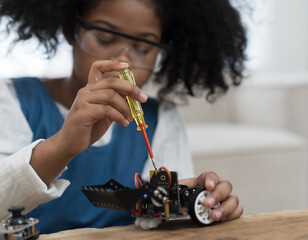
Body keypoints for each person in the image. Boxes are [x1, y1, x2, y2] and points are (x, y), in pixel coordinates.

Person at [0, 0, 247, 234]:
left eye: (143, 48)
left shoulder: (161, 118)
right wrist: (62, 146)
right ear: (70, 29)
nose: (123, 62)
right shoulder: (12, 101)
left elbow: (164, 216)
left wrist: (200, 203)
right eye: (105, 37)